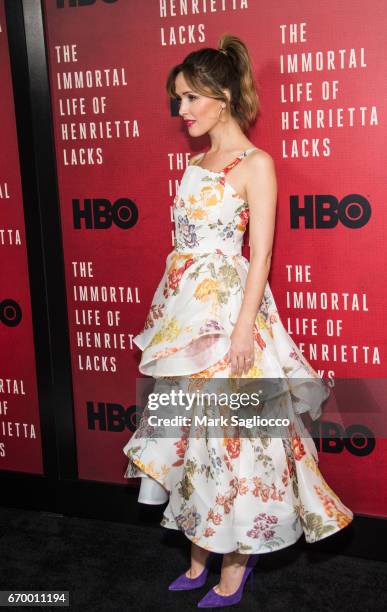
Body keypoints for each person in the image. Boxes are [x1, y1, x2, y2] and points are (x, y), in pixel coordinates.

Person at [123, 33, 353, 608]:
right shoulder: (194, 162)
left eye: (189, 99)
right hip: (187, 318)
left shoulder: (257, 164)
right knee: (191, 433)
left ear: (221, 95)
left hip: (232, 316)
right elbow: (183, 253)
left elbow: (263, 254)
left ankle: (236, 561)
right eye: (177, 100)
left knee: (237, 440)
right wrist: (168, 315)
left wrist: (245, 326)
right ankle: (199, 552)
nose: (181, 112)